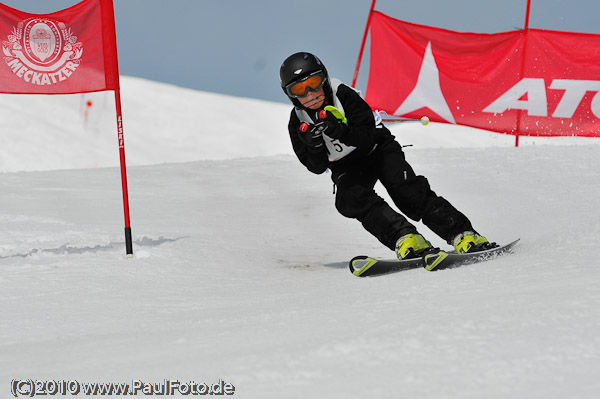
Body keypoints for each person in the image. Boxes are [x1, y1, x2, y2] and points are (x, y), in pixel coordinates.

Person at [279, 52, 493, 269]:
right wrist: (314, 145)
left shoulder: (342, 95)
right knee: (350, 199)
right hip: (347, 164)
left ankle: (463, 233)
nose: (310, 93)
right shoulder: (297, 123)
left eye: (314, 83)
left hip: (377, 149)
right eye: (299, 89)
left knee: (406, 191)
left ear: (324, 79)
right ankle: (407, 239)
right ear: (290, 95)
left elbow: (368, 135)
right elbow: (316, 167)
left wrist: (339, 130)